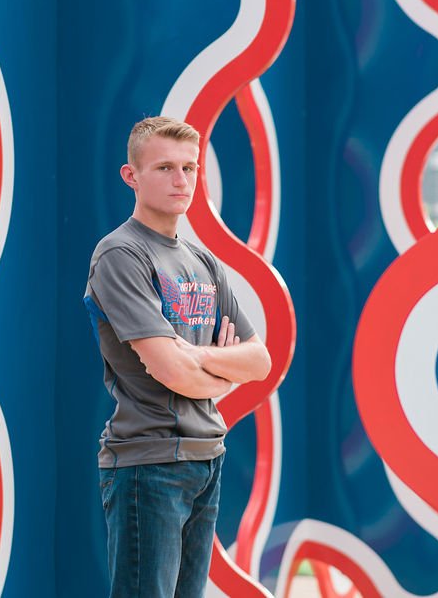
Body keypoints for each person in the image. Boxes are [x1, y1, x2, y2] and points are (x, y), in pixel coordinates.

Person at [84, 116, 272, 597]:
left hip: (208, 457)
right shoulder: (121, 255)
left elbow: (259, 361)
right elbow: (170, 370)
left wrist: (197, 357)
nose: (181, 180)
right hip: (149, 463)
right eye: (166, 167)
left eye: (190, 168)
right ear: (132, 176)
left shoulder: (202, 261)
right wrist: (219, 371)